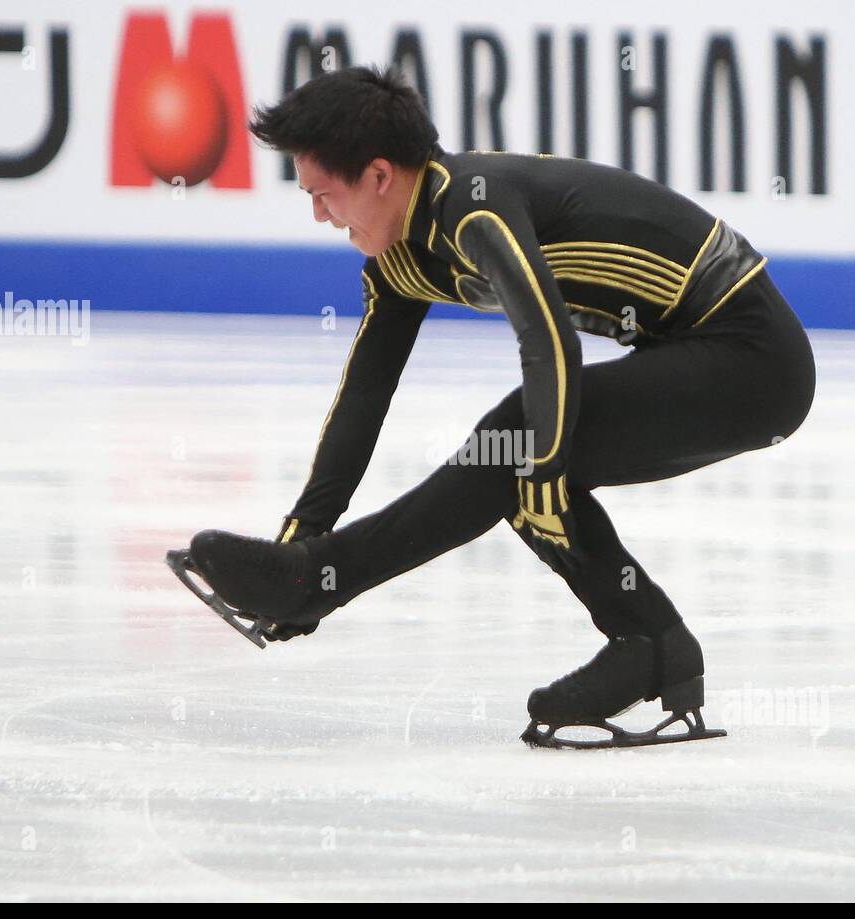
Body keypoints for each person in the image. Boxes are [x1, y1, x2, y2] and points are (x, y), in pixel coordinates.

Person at [169, 65, 816, 748]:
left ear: (380, 176)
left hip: (754, 357)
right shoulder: (399, 260)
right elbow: (365, 393)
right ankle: (650, 644)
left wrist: (541, 471)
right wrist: (303, 530)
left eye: (325, 196)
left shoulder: (473, 206)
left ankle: (324, 582)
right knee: (526, 447)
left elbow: (551, 344)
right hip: (692, 346)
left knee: (521, 438)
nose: (319, 216)